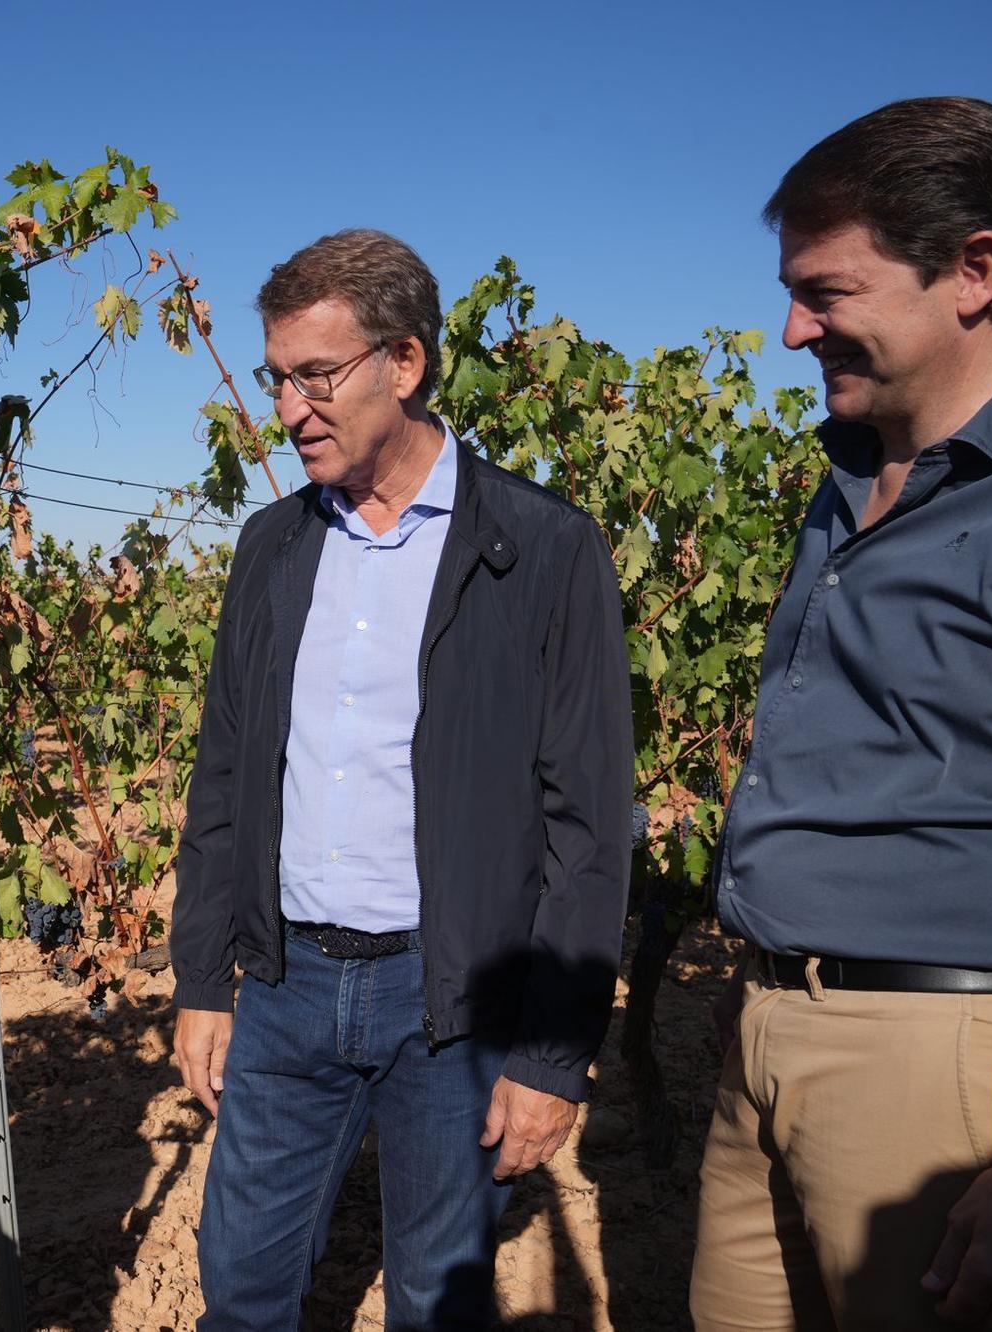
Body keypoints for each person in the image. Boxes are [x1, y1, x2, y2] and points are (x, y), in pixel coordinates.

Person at [168, 228, 633, 1329]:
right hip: (282, 989)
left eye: (315, 376)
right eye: (278, 379)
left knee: (434, 1300)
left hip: (453, 1000)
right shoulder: (270, 548)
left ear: (405, 364)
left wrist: (552, 1056)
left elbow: (587, 825)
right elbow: (224, 772)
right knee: (238, 1287)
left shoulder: (541, 547)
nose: (288, 410)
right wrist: (200, 979)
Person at [692, 97, 992, 1331]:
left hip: (934, 1065)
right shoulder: (850, 474)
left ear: (974, 271)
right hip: (758, 1026)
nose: (792, 327)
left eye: (826, 290)